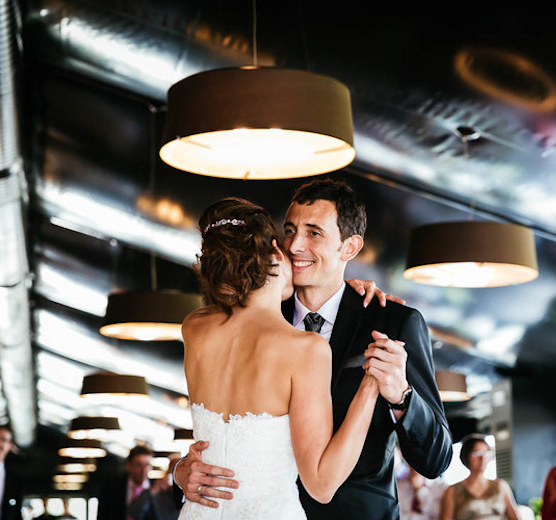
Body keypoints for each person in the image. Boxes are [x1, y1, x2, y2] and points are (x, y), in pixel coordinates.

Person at [174, 179, 453, 519]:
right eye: (289, 231)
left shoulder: (394, 323)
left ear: (349, 247)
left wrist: (401, 395)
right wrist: (182, 470)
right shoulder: (240, 316)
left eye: (314, 233)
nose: (294, 246)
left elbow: (436, 461)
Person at [176, 196, 380, 518]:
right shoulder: (304, 349)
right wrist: (370, 387)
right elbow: (321, 485)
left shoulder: (195, 328)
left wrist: (179, 471)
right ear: (275, 253)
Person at [439, 434, 519, 520]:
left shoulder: (501, 486)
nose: (483, 457)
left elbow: (515, 518)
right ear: (466, 456)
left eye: (486, 453)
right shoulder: (453, 491)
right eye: (477, 453)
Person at [97, 444, 176, 520]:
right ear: (129, 466)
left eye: (147, 465)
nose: (144, 470)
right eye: (139, 465)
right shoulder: (111, 488)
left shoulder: (160, 489)